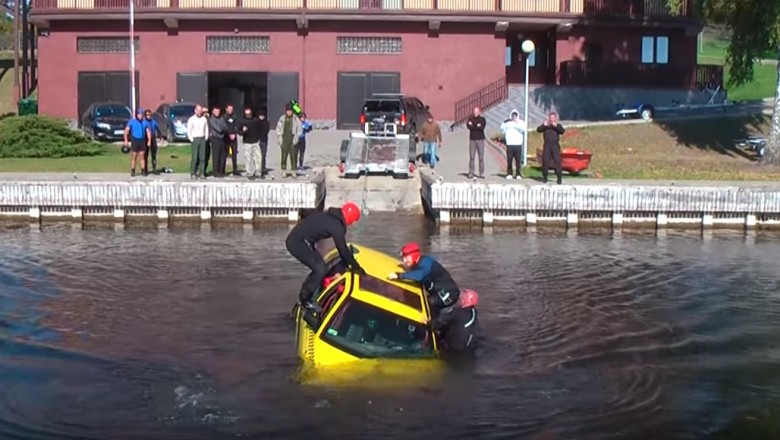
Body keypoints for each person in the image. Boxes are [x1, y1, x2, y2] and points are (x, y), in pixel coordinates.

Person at [285, 202, 365, 311]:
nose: (352, 224)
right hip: (297, 243)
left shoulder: (329, 216)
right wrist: (356, 267)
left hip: (299, 238)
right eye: (353, 221)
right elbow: (342, 249)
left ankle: (308, 291)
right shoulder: (337, 226)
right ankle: (304, 301)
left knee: (319, 266)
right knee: (320, 269)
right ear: (350, 218)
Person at [387, 242, 460, 318]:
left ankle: (432, 326)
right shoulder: (419, 262)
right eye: (403, 258)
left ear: (414, 256)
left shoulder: (425, 265)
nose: (404, 261)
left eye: (406, 258)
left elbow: (418, 276)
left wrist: (398, 275)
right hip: (437, 289)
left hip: (449, 293)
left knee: (429, 305)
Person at [432, 288, 479, 356]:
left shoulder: (457, 313)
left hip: (452, 350)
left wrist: (428, 322)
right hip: (467, 350)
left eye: (462, 298)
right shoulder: (474, 312)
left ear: (465, 300)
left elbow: (438, 322)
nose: (460, 300)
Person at [241, 107, 270, 180]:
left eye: (249, 113)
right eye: (246, 114)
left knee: (258, 158)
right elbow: (239, 132)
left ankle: (258, 172)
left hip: (256, 142)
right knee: (248, 158)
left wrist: (259, 138)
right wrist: (243, 131)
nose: (248, 115)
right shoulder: (242, 121)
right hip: (247, 143)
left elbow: (262, 129)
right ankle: (250, 173)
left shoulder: (256, 121)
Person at [537, 112, 565, 184]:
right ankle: (545, 177)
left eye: (553, 118)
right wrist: (544, 125)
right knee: (546, 161)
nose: (552, 119)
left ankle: (559, 178)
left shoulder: (557, 125)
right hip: (547, 145)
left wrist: (556, 126)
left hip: (555, 145)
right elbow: (538, 130)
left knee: (557, 161)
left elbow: (562, 131)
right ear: (549, 118)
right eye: (551, 118)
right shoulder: (546, 125)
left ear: (555, 118)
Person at [275, 103, 303, 179]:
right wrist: (279, 136)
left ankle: (293, 172)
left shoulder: (295, 119)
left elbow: (300, 129)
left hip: (293, 139)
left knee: (293, 156)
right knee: (284, 156)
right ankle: (283, 171)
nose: (289, 112)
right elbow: (278, 128)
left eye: (290, 111)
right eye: (288, 111)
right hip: (284, 139)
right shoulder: (282, 118)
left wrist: (297, 137)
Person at [123, 108, 152, 177]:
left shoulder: (144, 122)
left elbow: (148, 132)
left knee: (142, 157)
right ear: (136, 115)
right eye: (139, 115)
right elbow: (126, 131)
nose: (140, 116)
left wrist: (149, 141)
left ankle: (143, 171)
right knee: (134, 157)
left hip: (142, 141)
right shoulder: (132, 122)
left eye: (141, 115)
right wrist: (126, 140)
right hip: (135, 140)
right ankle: (133, 171)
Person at [500, 109, 526, 180]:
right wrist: (504, 123)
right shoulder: (507, 123)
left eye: (515, 115)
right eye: (513, 115)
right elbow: (502, 130)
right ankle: (509, 173)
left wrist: (516, 124)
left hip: (518, 144)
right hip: (509, 144)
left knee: (518, 161)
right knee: (509, 160)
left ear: (517, 116)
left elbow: (523, 129)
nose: (514, 117)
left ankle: (518, 174)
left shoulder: (521, 122)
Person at [187, 104, 209, 180]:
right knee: (195, 157)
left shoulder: (204, 119)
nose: (199, 112)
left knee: (202, 157)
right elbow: (189, 130)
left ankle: (201, 173)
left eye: (200, 110)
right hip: (195, 139)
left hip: (202, 138)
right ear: (195, 110)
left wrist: (206, 138)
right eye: (198, 110)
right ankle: (193, 173)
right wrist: (191, 139)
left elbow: (206, 129)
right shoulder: (191, 119)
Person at [466, 106, 486, 179]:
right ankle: (471, 172)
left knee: (481, 157)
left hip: (480, 140)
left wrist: (473, 125)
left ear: (479, 112)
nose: (475, 113)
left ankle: (481, 173)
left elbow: (482, 127)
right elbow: (469, 127)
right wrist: (476, 126)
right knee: (472, 157)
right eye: (474, 112)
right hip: (472, 140)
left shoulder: (482, 119)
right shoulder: (470, 119)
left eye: (477, 112)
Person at [208, 106, 228, 178]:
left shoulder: (221, 118)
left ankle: (221, 171)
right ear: (213, 112)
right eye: (216, 111)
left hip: (222, 139)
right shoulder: (212, 120)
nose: (217, 113)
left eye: (218, 111)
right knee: (216, 156)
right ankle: (216, 172)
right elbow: (219, 129)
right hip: (215, 139)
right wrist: (223, 128)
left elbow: (226, 127)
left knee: (223, 155)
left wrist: (223, 128)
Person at [143, 109, 161, 174]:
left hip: (153, 138)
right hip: (145, 139)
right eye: (147, 115)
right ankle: (145, 169)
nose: (149, 116)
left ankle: (154, 168)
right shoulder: (144, 122)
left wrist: (160, 137)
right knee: (145, 155)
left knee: (154, 155)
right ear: (145, 115)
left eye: (150, 115)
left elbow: (158, 129)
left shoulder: (153, 122)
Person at [224, 104, 240, 176]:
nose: (230, 111)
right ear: (226, 109)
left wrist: (234, 133)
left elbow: (237, 126)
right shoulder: (224, 117)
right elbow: (223, 127)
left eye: (232, 109)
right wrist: (229, 134)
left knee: (234, 154)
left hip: (234, 138)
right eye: (229, 109)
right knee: (225, 154)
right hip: (226, 138)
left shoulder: (235, 117)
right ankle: (222, 169)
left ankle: (235, 169)